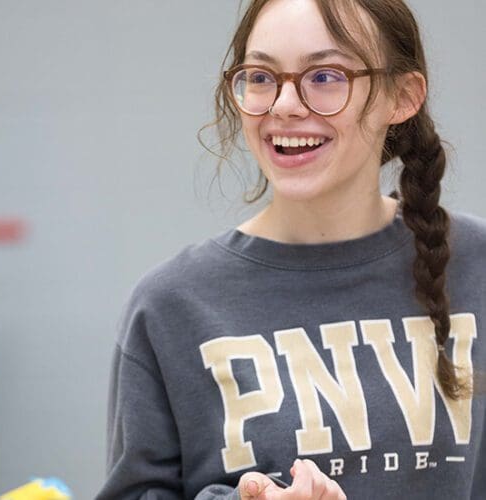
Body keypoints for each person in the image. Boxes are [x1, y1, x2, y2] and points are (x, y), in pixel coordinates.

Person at [95, 0, 486, 498]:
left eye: (324, 77)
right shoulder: (170, 306)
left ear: (402, 97)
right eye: (261, 77)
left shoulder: (477, 266)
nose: (283, 105)